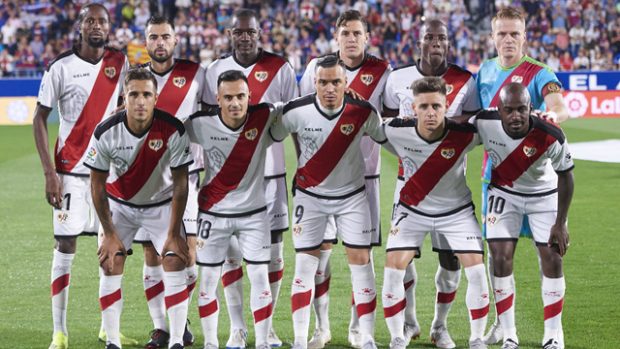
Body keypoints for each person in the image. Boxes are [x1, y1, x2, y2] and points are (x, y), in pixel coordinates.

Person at [32, 4, 132, 349]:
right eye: (90, 20)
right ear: (80, 25)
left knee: (112, 250)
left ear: (109, 26)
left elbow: (126, 106)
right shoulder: (60, 67)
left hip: (110, 173)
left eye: (102, 21)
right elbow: (39, 118)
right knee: (66, 244)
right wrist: (49, 173)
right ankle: (59, 332)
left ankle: (110, 331)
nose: (96, 26)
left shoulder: (120, 63)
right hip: (70, 173)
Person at [271, 55, 383, 349]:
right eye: (323, 82)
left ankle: (366, 336)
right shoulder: (295, 111)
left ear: (346, 83)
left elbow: (387, 138)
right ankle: (299, 340)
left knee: (362, 264)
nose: (330, 88)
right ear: (314, 83)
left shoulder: (364, 111)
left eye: (336, 82)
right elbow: (272, 133)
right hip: (311, 199)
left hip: (352, 198)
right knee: (305, 267)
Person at [382, 18, 481, 349]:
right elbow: (386, 123)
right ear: (419, 41)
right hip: (407, 186)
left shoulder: (466, 79)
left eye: (442, 37)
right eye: (430, 37)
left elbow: (474, 123)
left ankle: (440, 326)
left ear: (449, 42)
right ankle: (408, 323)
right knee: (402, 258)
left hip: (450, 186)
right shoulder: (397, 77)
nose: (436, 42)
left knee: (451, 259)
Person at [202, 9, 298, 348]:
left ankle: (266, 327)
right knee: (230, 256)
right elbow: (205, 124)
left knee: (271, 257)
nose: (245, 37)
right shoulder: (214, 70)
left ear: (261, 33)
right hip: (226, 182)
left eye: (251, 32)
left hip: (270, 177)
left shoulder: (281, 68)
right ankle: (238, 328)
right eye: (239, 32)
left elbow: (293, 120)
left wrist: (303, 166)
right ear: (230, 34)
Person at [476, 7, 570, 345]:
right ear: (492, 37)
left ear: (525, 36)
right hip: (497, 179)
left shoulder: (539, 72)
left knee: (550, 255)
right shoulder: (484, 71)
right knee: (498, 255)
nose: (508, 39)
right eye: (502, 33)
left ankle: (553, 334)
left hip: (538, 179)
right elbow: (474, 117)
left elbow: (560, 106)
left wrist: (551, 114)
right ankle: (504, 327)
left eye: (515, 33)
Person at [298, 10, 391, 349]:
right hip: (320, 179)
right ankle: (321, 328)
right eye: (345, 33)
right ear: (336, 37)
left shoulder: (383, 71)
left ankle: (357, 329)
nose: (351, 38)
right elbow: (302, 114)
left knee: (360, 256)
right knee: (319, 255)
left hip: (364, 177)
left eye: (357, 33)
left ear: (367, 37)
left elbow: (389, 122)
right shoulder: (315, 69)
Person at [85, 68, 193, 349]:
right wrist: (108, 232)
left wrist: (173, 232)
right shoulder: (106, 131)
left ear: (156, 97)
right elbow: (96, 185)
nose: (140, 101)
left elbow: (182, 184)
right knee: (110, 262)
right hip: (120, 207)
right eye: (134, 94)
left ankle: (178, 340)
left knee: (174, 258)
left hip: (161, 205)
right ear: (125, 97)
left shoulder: (173, 129)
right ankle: (112, 341)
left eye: (147, 94)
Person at [188, 69, 283, 349]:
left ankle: (263, 340)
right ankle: (213, 342)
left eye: (240, 97)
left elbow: (298, 111)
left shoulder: (264, 116)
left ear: (249, 97)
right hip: (213, 213)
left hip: (254, 214)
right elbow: (167, 130)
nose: (234, 103)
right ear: (217, 99)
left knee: (258, 275)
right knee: (208, 278)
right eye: (227, 97)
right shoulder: (199, 124)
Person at [132, 15, 206, 348]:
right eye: (153, 37)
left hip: (186, 174)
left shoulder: (196, 74)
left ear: (176, 40)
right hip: (148, 178)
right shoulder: (137, 78)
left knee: (186, 254)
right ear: (145, 42)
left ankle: (179, 317)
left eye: (165, 36)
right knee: (151, 252)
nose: (160, 42)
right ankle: (165, 328)